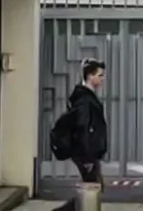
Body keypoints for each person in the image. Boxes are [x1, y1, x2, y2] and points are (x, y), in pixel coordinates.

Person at [54, 58, 108, 211]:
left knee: (93, 186)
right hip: (85, 152)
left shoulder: (85, 96)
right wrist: (87, 157)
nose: (102, 78)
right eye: (100, 75)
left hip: (88, 151)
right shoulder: (84, 100)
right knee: (92, 187)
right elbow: (82, 128)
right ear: (90, 76)